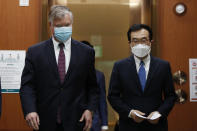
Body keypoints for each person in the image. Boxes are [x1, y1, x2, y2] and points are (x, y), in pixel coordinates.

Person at [20, 5, 99, 131]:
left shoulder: (86, 52)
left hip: (77, 121)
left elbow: (93, 87)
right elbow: (27, 86)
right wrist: (30, 110)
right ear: (51, 25)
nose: (64, 29)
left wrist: (90, 109)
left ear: (72, 24)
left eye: (67, 25)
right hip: (44, 121)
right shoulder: (35, 52)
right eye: (59, 26)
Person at [108, 24, 177, 131]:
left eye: (144, 40)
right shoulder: (120, 66)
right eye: (135, 41)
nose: (139, 44)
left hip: (156, 126)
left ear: (150, 42)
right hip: (128, 125)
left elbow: (171, 96)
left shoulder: (163, 66)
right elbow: (113, 96)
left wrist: (159, 113)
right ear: (129, 43)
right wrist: (130, 113)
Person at [81, 41, 108, 131]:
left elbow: (102, 100)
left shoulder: (99, 75)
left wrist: (104, 124)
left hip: (94, 122)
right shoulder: (69, 74)